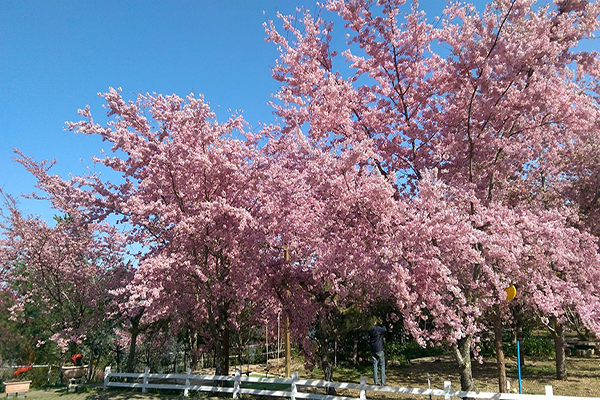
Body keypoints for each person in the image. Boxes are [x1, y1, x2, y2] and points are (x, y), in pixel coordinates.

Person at [368, 320, 387, 386]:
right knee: (382, 365)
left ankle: (376, 382)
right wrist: (382, 324)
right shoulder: (377, 329)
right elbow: (384, 329)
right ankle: (383, 382)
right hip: (379, 348)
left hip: (373, 349)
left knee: (374, 365)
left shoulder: (370, 329)